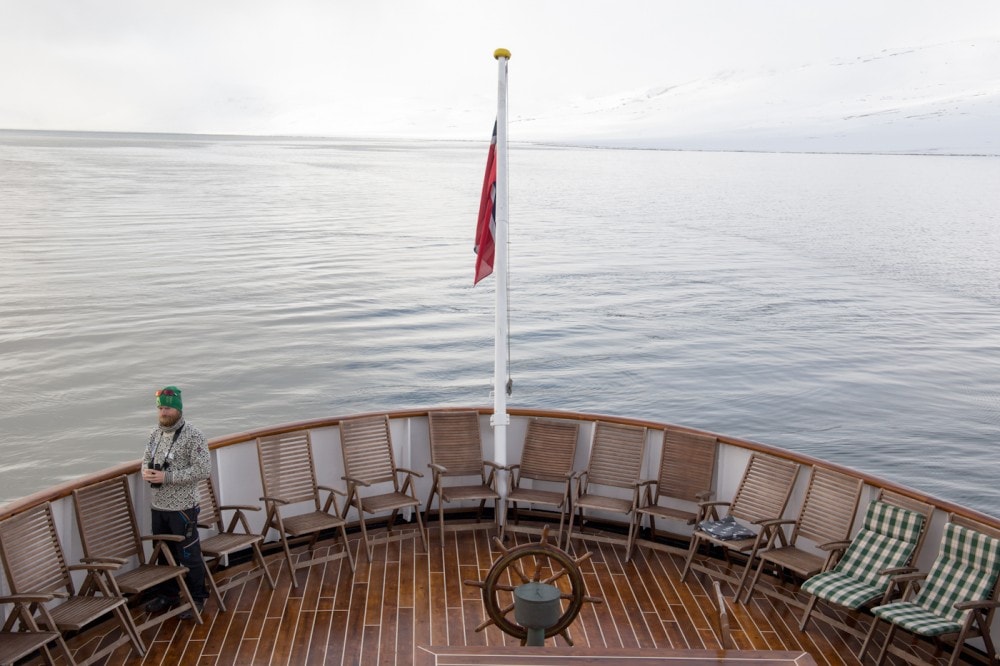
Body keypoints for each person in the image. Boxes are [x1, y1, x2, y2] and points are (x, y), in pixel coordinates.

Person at [141, 385, 211, 620]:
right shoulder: (155, 434)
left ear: (179, 409)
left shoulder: (194, 435)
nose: (163, 412)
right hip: (158, 506)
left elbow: (203, 469)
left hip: (183, 507)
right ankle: (168, 595)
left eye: (168, 408)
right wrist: (145, 472)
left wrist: (167, 477)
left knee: (189, 554)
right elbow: (145, 459)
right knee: (163, 553)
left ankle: (198, 598)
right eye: (161, 407)